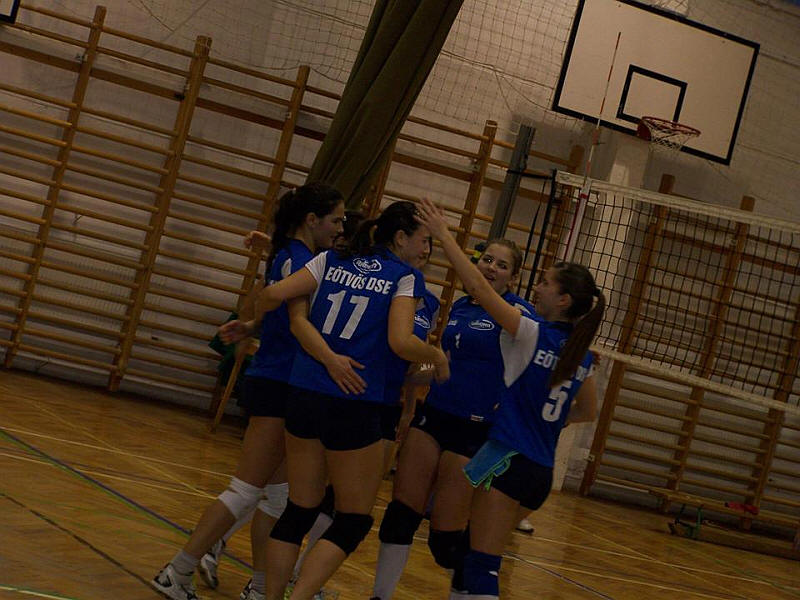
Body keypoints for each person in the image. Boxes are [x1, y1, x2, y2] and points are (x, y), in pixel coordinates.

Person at [220, 200, 450, 600]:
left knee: (299, 508)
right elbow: (400, 341)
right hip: (354, 398)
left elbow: (271, 294)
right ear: (400, 238)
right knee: (353, 519)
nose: (427, 249)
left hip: (304, 392)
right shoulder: (405, 277)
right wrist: (437, 356)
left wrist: (272, 327)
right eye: (424, 240)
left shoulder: (330, 260)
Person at [152, 183, 346, 600]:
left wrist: (253, 326)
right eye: (336, 220)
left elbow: (276, 314)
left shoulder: (287, 255)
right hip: (278, 382)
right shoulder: (302, 263)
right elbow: (295, 320)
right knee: (245, 490)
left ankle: (260, 589)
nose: (341, 228)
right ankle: (178, 570)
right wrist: (331, 359)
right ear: (312, 220)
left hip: (278, 378)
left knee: (276, 498)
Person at [416, 198, 603, 599]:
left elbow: (479, 288)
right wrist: (547, 419)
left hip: (509, 461)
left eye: (546, 283)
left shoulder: (533, 334)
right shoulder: (582, 355)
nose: (537, 287)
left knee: (481, 564)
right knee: (466, 554)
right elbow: (588, 411)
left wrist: (444, 234)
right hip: (539, 471)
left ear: (563, 300)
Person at [370, 239, 531, 600]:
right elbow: (444, 365)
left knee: (444, 541)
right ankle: (379, 596)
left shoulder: (518, 312)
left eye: (502, 265)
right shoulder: (460, 306)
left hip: (475, 429)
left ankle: (471, 591)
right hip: (434, 415)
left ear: (514, 277)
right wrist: (409, 379)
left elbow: (546, 352)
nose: (491, 267)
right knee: (400, 515)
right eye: (487, 259)